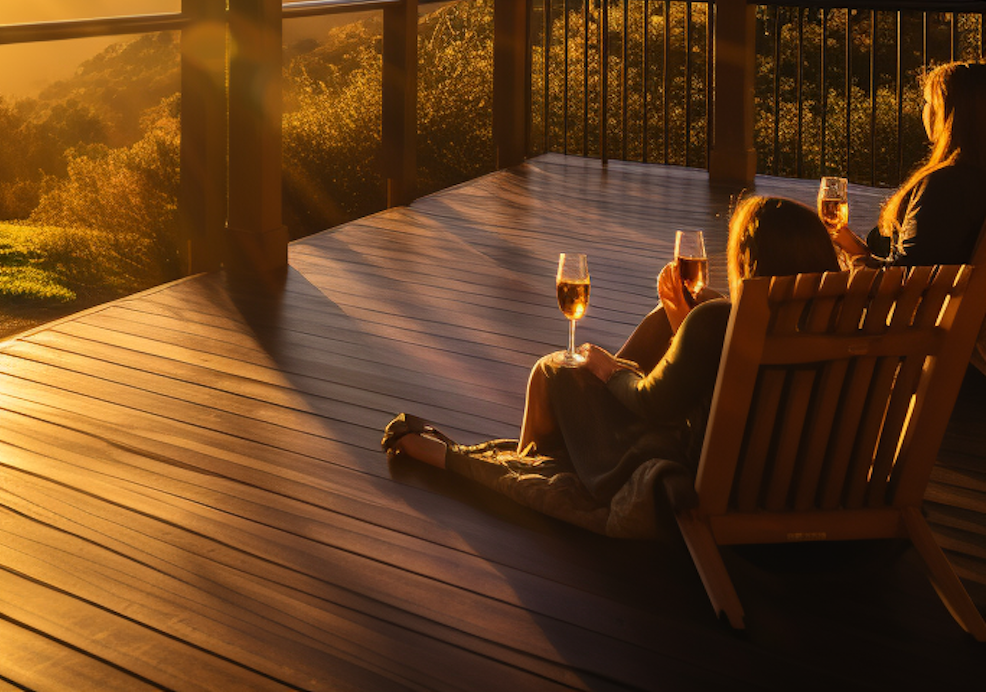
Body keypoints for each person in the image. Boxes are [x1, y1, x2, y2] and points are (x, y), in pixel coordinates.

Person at [381, 197, 840, 515]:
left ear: (749, 258)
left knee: (556, 371)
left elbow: (651, 403)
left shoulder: (721, 321)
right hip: (811, 474)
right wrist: (683, 324)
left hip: (714, 475)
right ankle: (533, 451)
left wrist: (609, 369)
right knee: (658, 329)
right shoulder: (848, 321)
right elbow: (722, 377)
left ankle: (509, 466)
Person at [829, 60, 986, 270]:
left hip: (924, 302)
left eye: (929, 102)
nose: (924, 111)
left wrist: (857, 260)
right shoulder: (972, 181)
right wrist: (848, 241)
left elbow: (907, 277)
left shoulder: (948, 185)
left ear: (948, 114)